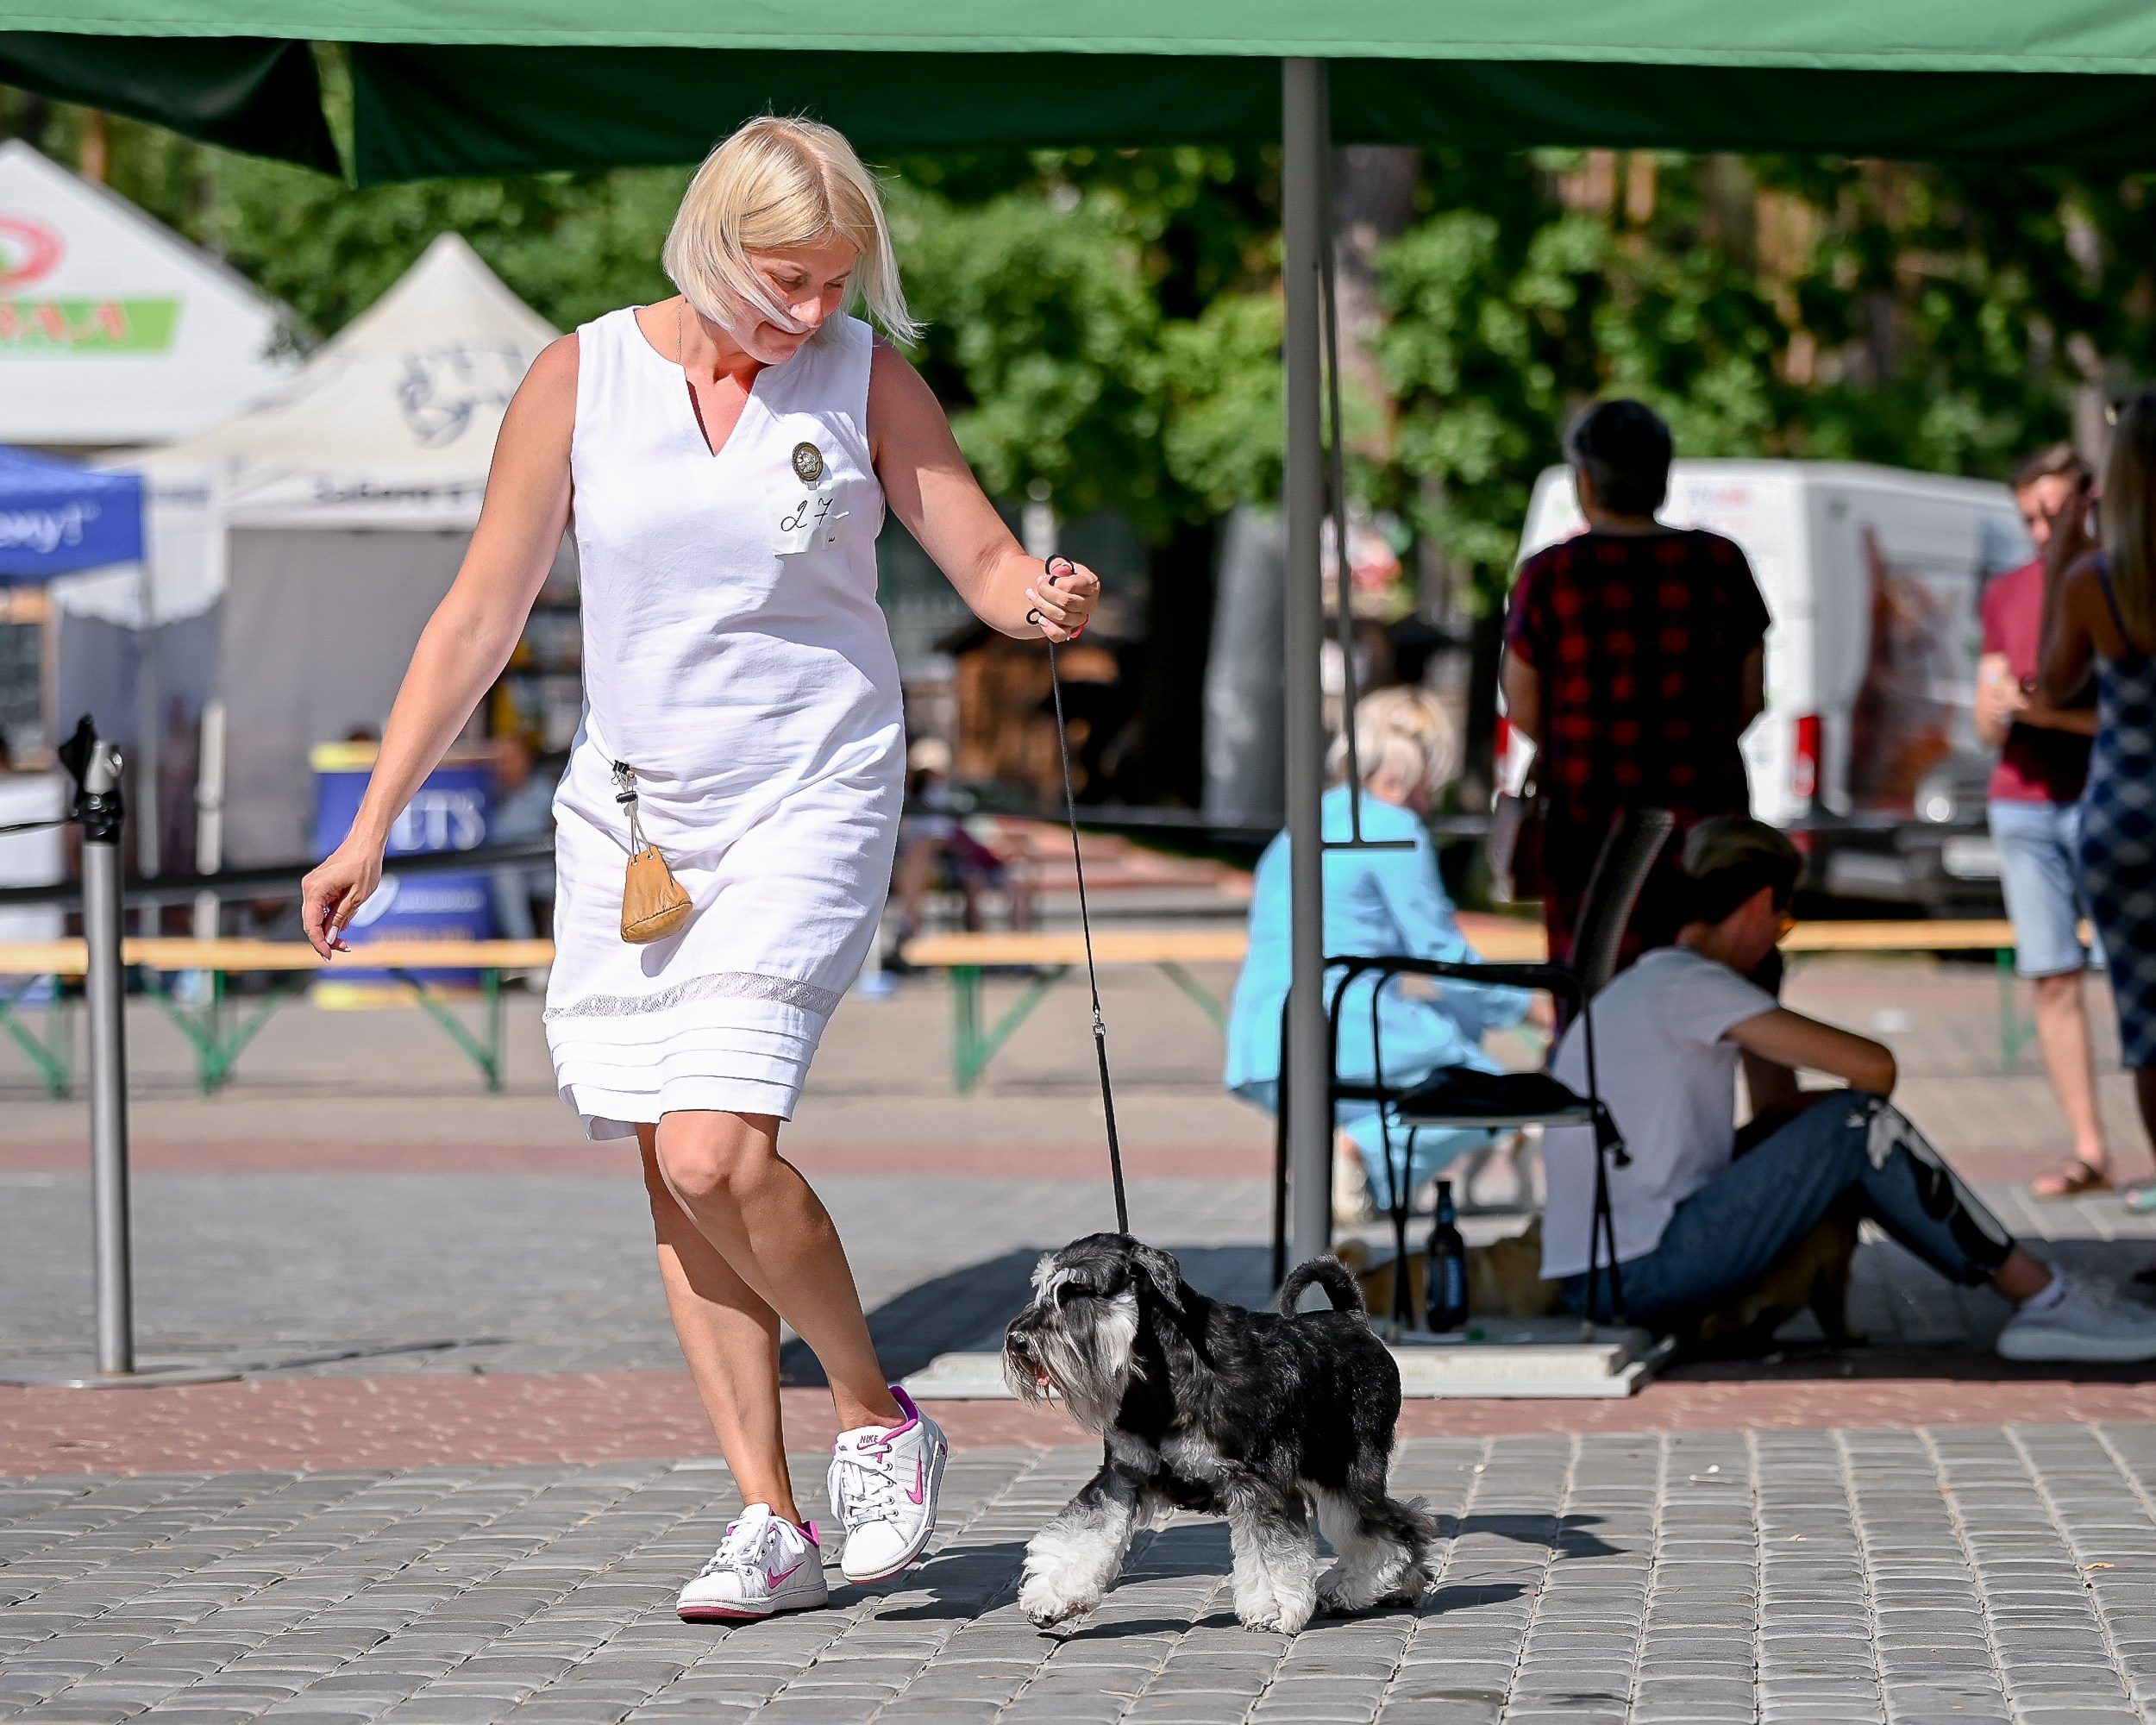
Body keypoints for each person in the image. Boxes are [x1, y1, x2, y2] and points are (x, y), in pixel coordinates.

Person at [299, 118, 1101, 1622]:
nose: (811, 312)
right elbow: (480, 616)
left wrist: (1039, 595)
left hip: (812, 790)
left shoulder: (863, 375)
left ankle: (877, 1417)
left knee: (715, 1146)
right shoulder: (580, 377)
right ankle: (768, 1520)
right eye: (785, 279)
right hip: (632, 821)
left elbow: (984, 564)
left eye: (834, 281)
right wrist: (372, 825)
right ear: (710, 243)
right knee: (672, 1171)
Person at [1539, 815, 2156, 1359]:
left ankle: (2041, 1294)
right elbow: (1874, 1070)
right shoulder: (1694, 984)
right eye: (1783, 918)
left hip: (1606, 1270)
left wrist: (1794, 1109)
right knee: (1859, 1125)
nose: (1779, 934)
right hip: (1638, 1271)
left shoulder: (1649, 982)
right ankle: (2044, 1297)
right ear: (1757, 905)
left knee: (1840, 1127)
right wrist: (1821, 1115)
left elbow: (1771, 1112)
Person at [1225, 687, 1535, 1222]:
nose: (1431, 793)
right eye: (1431, 777)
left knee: (1441, 1063)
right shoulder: (1392, 830)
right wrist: (1532, 1008)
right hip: (1342, 1028)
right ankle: (1359, 1153)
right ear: (1410, 773)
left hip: (1262, 1042)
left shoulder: (1306, 821)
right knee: (1504, 1097)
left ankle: (1350, 1164)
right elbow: (1442, 954)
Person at [1501, 399, 1771, 975]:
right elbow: (1750, 700)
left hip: (1586, 827)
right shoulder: (1721, 563)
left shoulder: (1551, 575)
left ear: (1586, 482)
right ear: (1663, 478)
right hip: (1706, 825)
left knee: (1593, 992)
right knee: (1708, 994)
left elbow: (1522, 707)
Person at [1977, 444, 2117, 1200]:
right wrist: (2000, 707)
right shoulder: (2006, 592)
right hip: (2023, 801)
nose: (2042, 530)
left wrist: (2047, 710)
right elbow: (1986, 712)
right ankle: (2090, 1150)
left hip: (2109, 800)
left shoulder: (2114, 581)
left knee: (2135, 980)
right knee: (2052, 977)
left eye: (2055, 513)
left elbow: (2115, 710)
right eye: (2029, 515)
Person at [2042, 390, 2156, 1214]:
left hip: (2123, 816)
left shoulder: (2098, 581)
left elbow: (2052, 685)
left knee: (2148, 1026)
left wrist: (2060, 560)